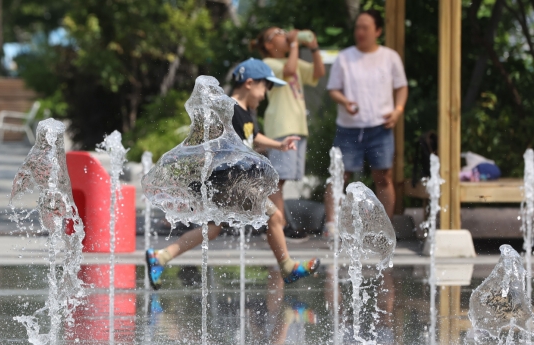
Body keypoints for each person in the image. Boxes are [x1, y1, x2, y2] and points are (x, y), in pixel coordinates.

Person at [145, 58, 320, 290]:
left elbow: (253, 137)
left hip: (229, 182)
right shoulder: (231, 109)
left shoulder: (246, 113)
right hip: (230, 182)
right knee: (275, 217)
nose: (265, 95)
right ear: (249, 83)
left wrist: (279, 145)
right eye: (265, 88)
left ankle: (161, 257)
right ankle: (287, 267)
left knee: (213, 228)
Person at [324, 10, 408, 237]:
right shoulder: (344, 57)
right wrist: (345, 101)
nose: (359, 32)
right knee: (339, 175)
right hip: (349, 126)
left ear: (377, 31)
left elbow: (402, 87)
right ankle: (331, 225)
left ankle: (384, 229)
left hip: (381, 126)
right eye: (357, 27)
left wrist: (398, 111)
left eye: (365, 28)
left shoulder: (390, 57)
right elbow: (333, 89)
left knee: (383, 176)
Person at [251, 27, 325, 242]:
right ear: (267, 44)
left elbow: (318, 73)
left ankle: (279, 224)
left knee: (282, 180)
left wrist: (314, 48)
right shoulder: (269, 64)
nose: (285, 35)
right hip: (282, 126)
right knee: (279, 180)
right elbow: (290, 71)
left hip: (296, 126)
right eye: (279, 33)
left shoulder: (289, 60)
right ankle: (279, 227)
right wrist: (294, 44)